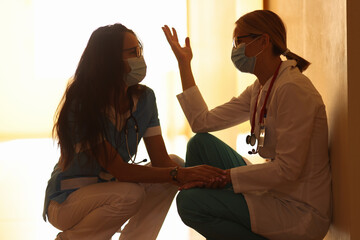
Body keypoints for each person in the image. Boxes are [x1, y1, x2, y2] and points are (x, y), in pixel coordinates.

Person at [42, 23, 227, 240]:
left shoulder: (145, 98)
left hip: (111, 188)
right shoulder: (82, 105)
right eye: (132, 53)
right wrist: (180, 174)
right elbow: (121, 170)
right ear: (108, 59)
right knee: (132, 194)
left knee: (173, 166)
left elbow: (161, 160)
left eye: (139, 51)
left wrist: (198, 175)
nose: (140, 58)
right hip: (68, 200)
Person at [162, 9, 331, 240]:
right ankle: (213, 202)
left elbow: (288, 170)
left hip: (298, 208)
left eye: (238, 41)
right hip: (276, 190)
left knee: (189, 203)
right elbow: (201, 122)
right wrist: (184, 64)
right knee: (200, 144)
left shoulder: (292, 89)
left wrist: (226, 177)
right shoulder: (260, 88)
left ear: (263, 41)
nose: (235, 50)